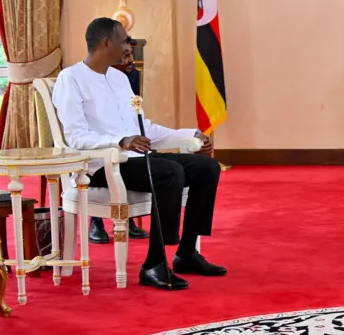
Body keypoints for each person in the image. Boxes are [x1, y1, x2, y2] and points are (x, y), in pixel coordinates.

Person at [53, 17, 226, 290]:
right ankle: (154, 264)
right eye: (124, 41)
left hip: (135, 160)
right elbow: (75, 137)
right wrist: (121, 141)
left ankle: (186, 253)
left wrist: (190, 134)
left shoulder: (120, 79)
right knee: (170, 172)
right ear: (106, 42)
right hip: (101, 167)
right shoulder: (71, 79)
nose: (128, 46)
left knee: (207, 168)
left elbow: (145, 129)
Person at [88, 37, 149, 244]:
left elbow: (132, 115)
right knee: (103, 161)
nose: (130, 60)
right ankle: (96, 221)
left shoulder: (131, 76)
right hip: (93, 145)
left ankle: (127, 217)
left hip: (123, 141)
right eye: (126, 55)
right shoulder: (88, 78)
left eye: (131, 54)